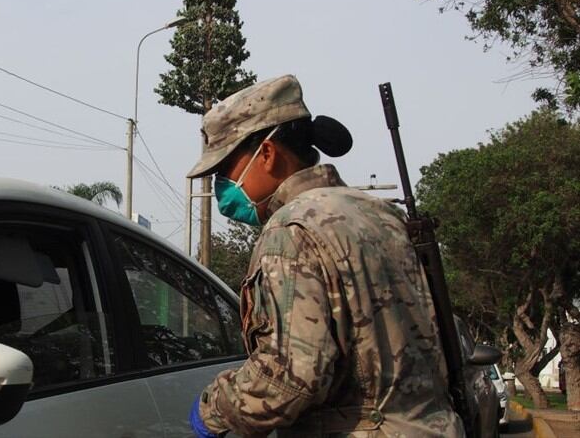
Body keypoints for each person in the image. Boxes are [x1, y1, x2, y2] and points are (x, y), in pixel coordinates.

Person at [187, 75, 463, 437]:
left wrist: (214, 410)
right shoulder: (381, 214)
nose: (221, 187)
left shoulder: (290, 231)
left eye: (225, 171)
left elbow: (290, 378)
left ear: (267, 154)